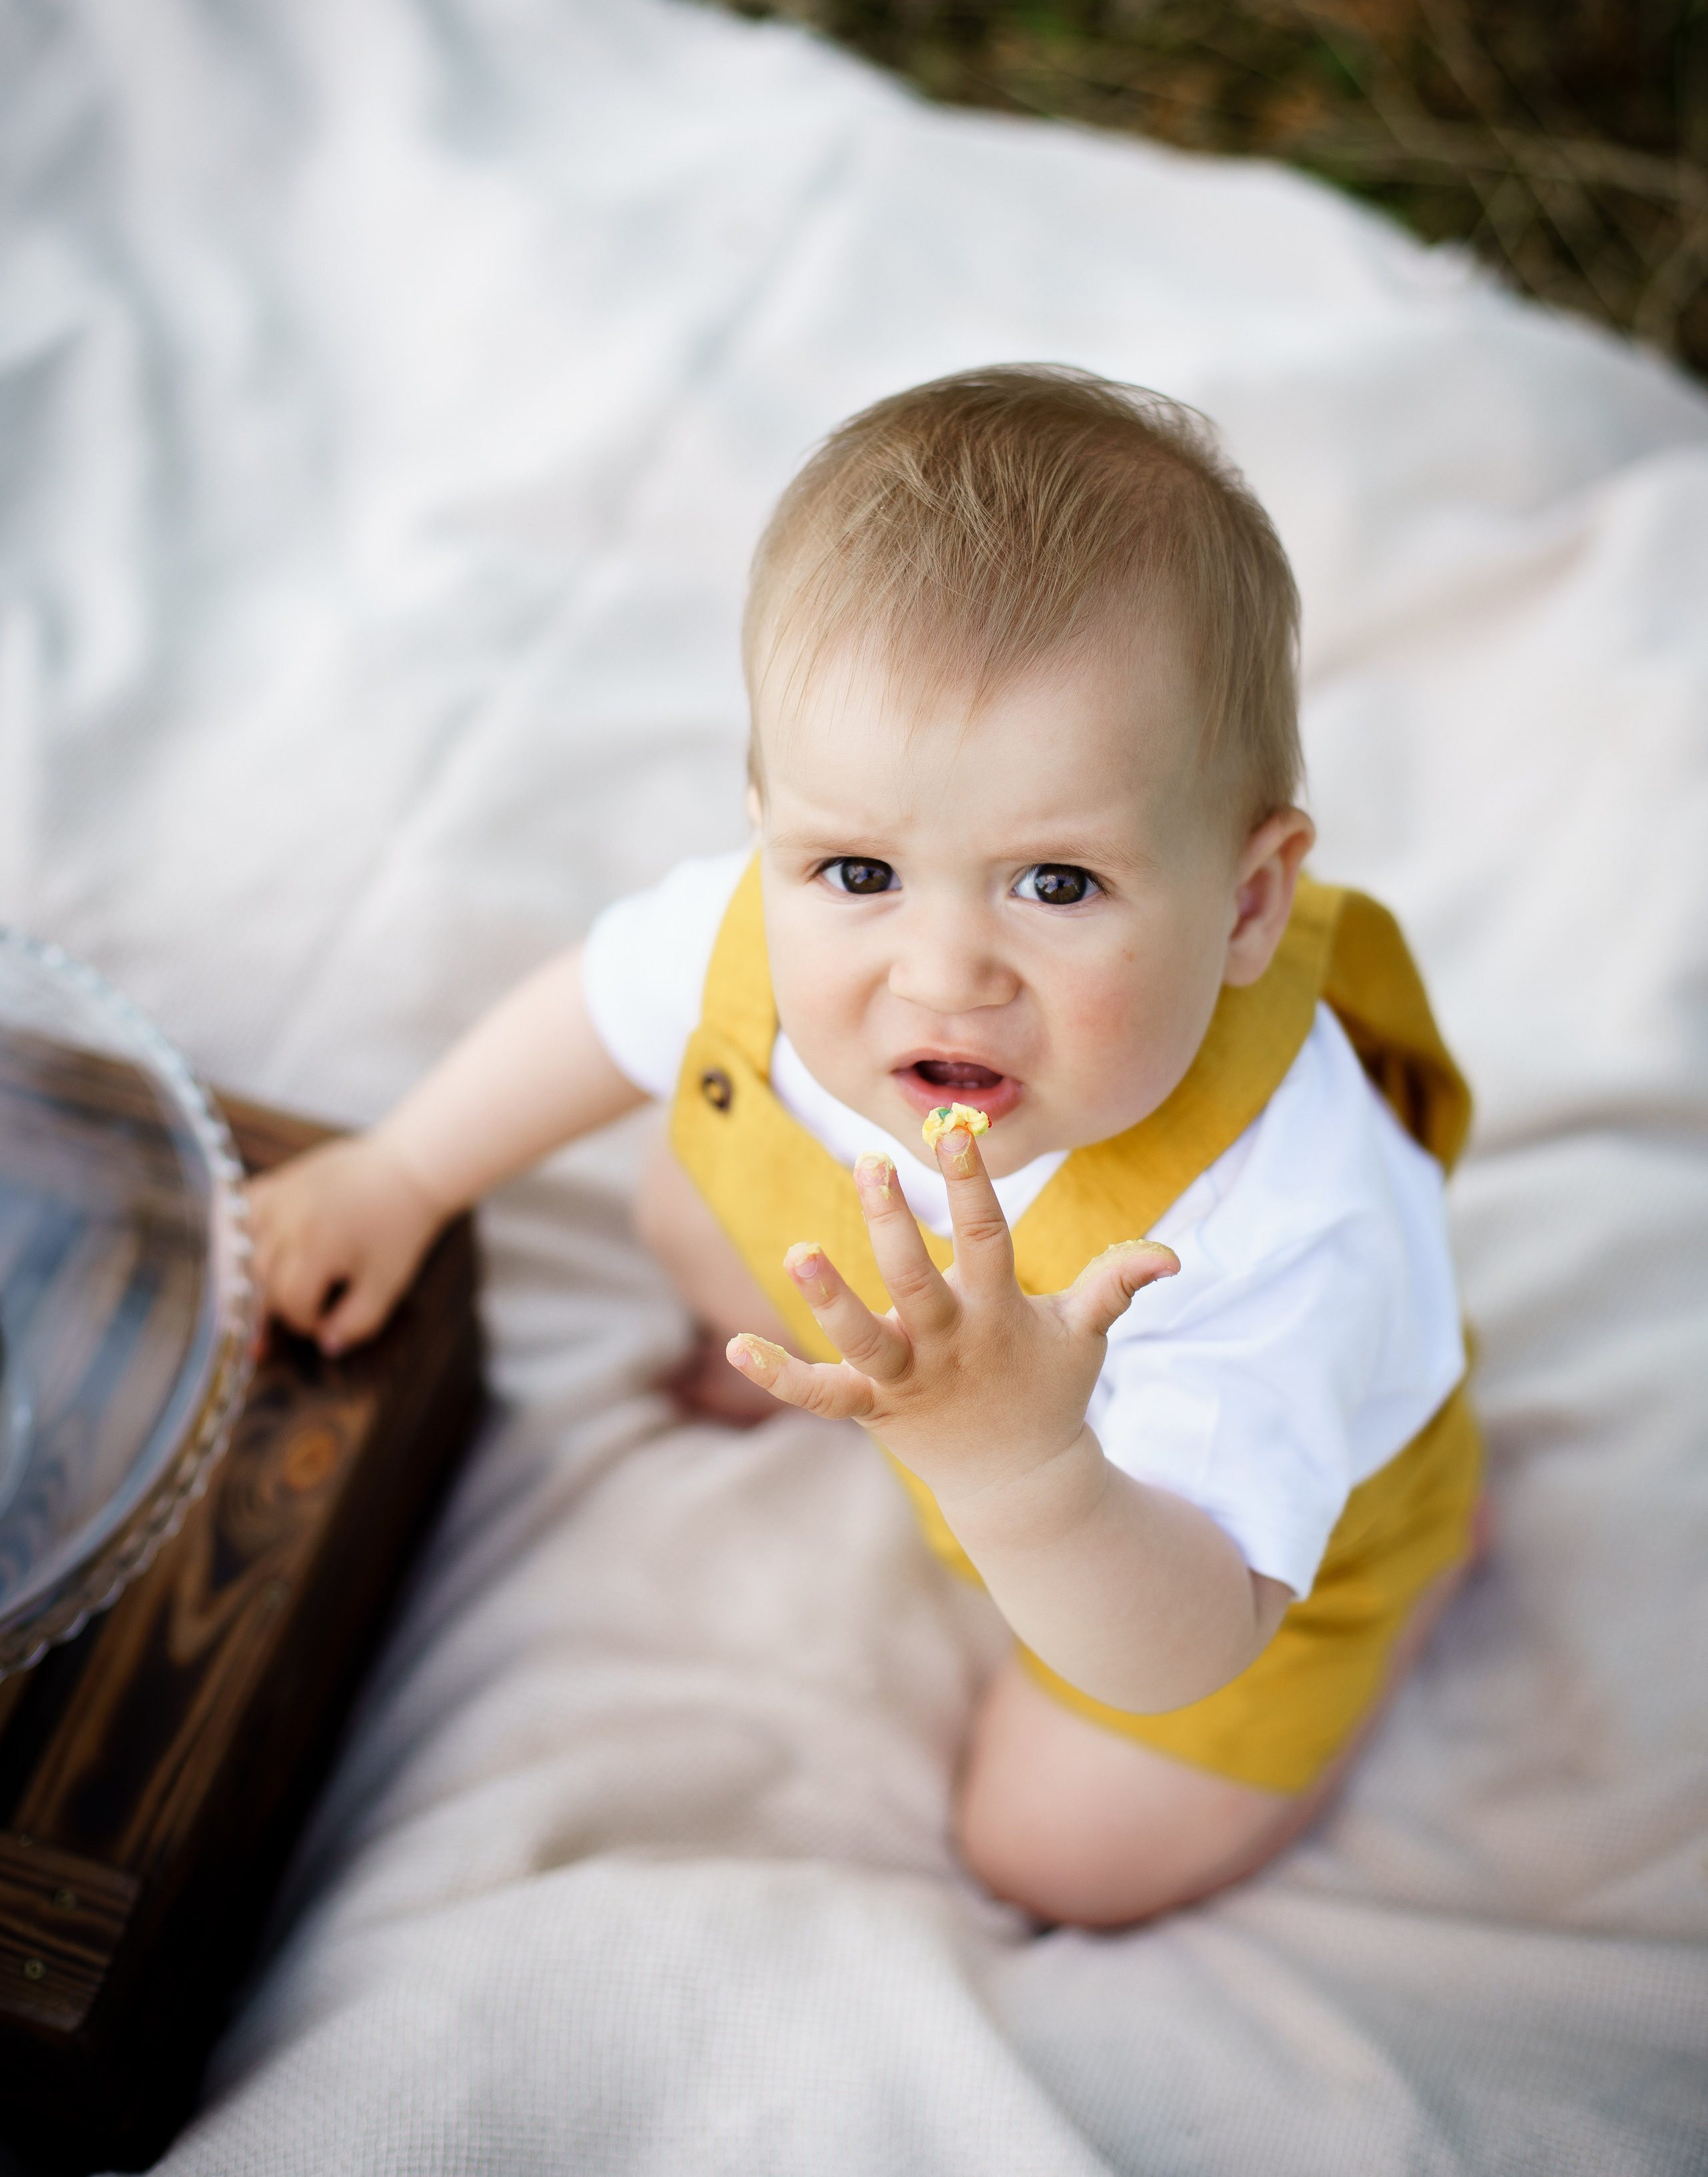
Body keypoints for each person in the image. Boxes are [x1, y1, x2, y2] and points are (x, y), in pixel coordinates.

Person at [250, 364, 1482, 1929]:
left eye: (1054, 884)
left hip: (1181, 1552)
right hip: (983, 1418)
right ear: (771, 825)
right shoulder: (765, 935)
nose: (940, 972)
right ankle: (924, 1405)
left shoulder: (1267, 1224)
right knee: (686, 1202)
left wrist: (1021, 1468)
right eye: (857, 872)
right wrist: (407, 1174)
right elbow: (601, 1007)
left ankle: (1423, 1584)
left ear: (1244, 904)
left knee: (1054, 1854)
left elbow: (1182, 1642)